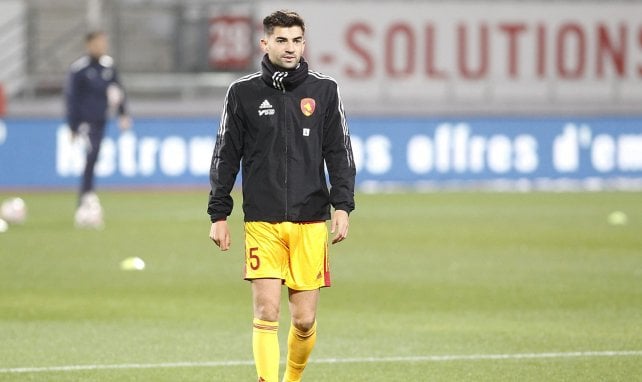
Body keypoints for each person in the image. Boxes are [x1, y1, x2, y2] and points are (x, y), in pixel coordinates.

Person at [207, 10, 355, 382]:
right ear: (265, 43)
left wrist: (343, 206)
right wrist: (219, 214)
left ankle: (292, 378)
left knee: (304, 321)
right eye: (282, 40)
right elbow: (226, 153)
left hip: (310, 220)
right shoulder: (243, 92)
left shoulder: (325, 90)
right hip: (263, 220)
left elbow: (339, 152)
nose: (291, 48)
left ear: (304, 42)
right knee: (267, 311)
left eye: (297, 40)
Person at [65, 31, 131, 227]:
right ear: (89, 44)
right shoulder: (79, 69)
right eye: (98, 42)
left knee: (93, 158)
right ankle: (86, 198)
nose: (102, 46)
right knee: (91, 155)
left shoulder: (108, 66)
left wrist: (123, 113)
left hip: (101, 121)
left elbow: (118, 91)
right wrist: (72, 125)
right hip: (85, 122)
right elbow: (72, 99)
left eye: (104, 42)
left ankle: (86, 198)